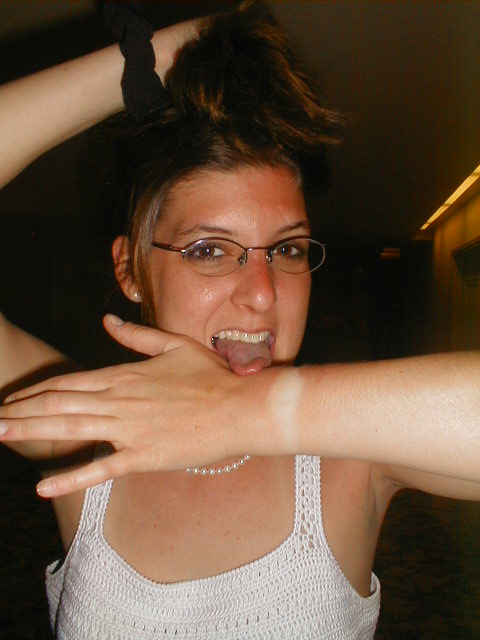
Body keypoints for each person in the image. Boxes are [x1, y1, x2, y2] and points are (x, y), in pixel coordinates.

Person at [0, 2, 479, 638]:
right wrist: (152, 61)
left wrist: (247, 413)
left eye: (287, 249)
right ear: (130, 269)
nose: (261, 292)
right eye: (208, 250)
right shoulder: (85, 435)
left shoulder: (350, 457)